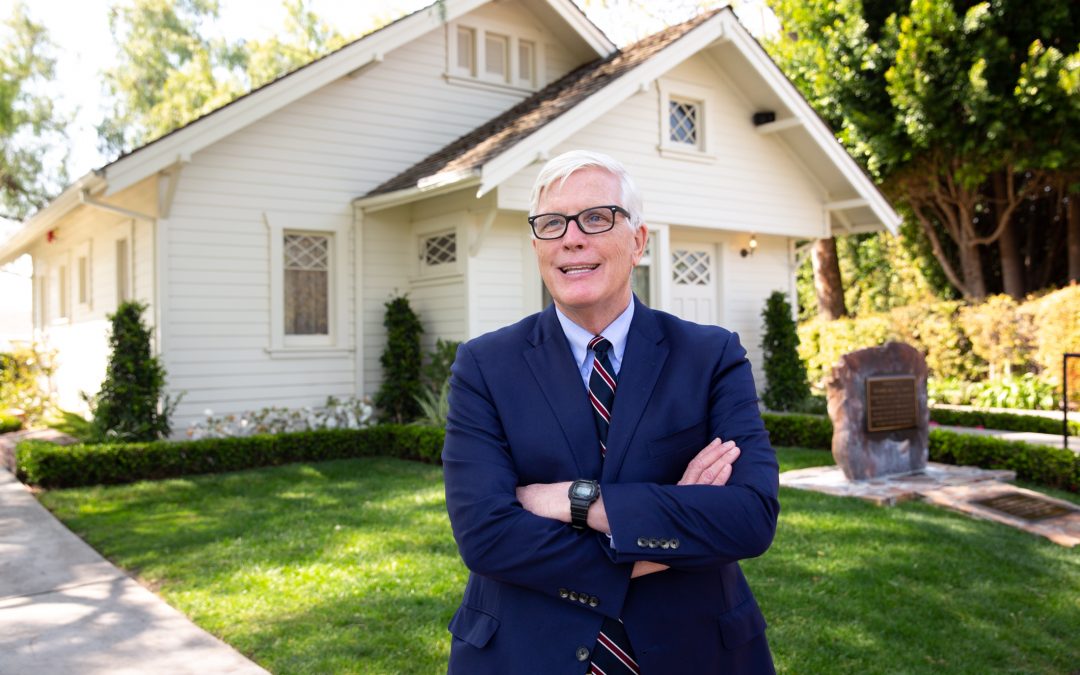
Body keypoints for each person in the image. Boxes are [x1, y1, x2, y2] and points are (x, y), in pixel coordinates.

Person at [442, 150, 779, 673]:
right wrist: (672, 527)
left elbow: (749, 518)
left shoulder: (711, 355)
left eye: (597, 218)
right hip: (526, 653)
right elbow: (487, 537)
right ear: (537, 246)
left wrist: (575, 502)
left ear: (638, 241)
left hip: (695, 651)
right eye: (552, 224)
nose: (572, 238)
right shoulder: (484, 366)